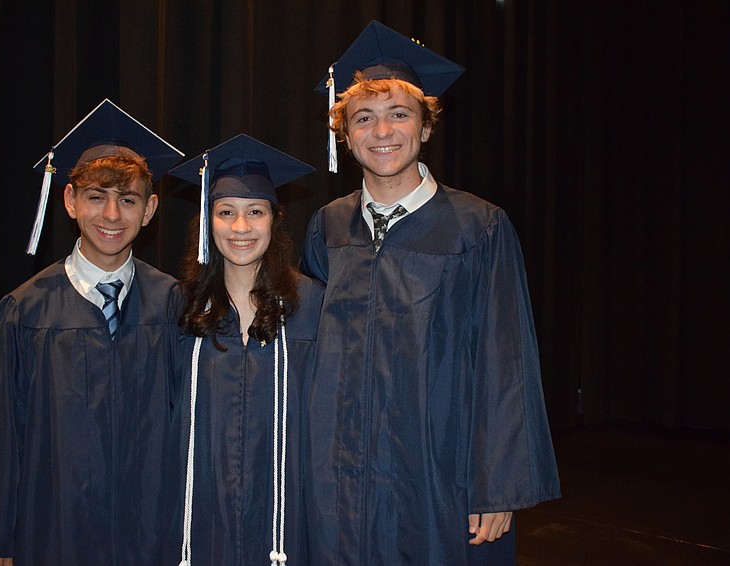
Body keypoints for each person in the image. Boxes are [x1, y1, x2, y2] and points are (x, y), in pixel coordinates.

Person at [300, 21, 561, 564]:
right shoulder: (328, 227)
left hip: (442, 466)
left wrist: (498, 484)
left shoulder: (478, 228)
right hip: (342, 474)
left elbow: (505, 360)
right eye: (363, 118)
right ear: (345, 135)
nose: (382, 131)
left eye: (400, 114)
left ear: (425, 126)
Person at [0, 99, 184, 565]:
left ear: (150, 209)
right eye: (96, 197)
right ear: (70, 201)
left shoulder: (174, 307)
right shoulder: (25, 313)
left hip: (154, 542)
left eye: (128, 199)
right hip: (53, 540)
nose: (112, 215)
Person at [166, 134, 323, 566]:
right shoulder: (179, 309)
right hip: (199, 521)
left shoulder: (314, 307)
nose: (240, 228)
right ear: (206, 221)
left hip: (288, 522)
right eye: (225, 212)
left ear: (275, 220)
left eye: (255, 212)